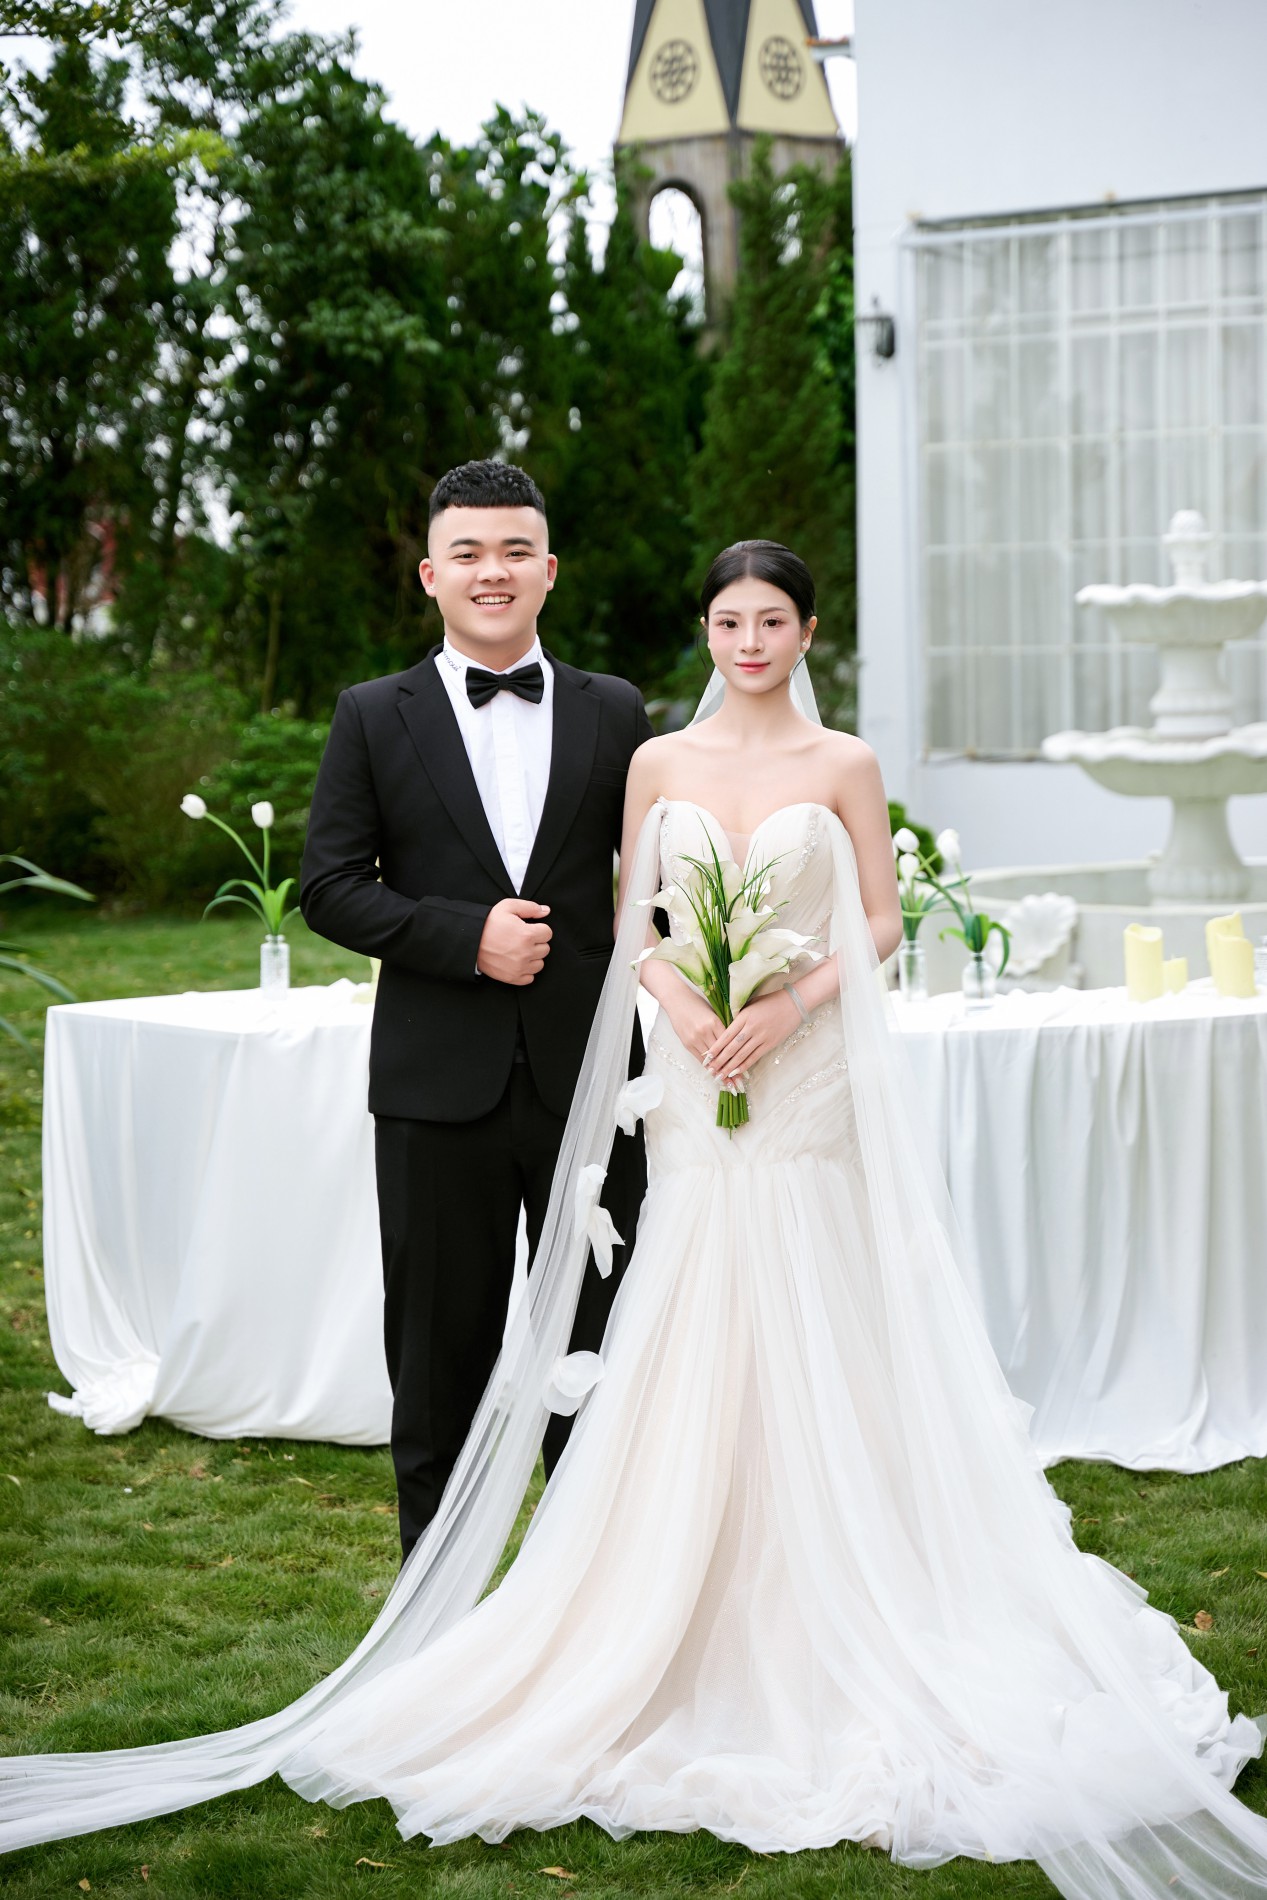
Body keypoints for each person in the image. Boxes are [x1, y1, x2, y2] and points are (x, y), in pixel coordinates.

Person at [3, 543, 1266, 1900]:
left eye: (769, 619)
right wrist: (691, 1008)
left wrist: (783, 1006)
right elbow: (632, 924)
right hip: (689, 1081)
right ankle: (638, 1601)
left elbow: (882, 922)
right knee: (680, 1314)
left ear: (806, 631)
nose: (747, 640)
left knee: (815, 1311)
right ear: (705, 630)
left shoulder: (842, 762)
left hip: (802, 1076)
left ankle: (841, 1585)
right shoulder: (654, 756)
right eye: (726, 619)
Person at [299, 459, 650, 1559]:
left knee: (598, 1348)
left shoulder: (615, 708)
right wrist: (467, 939)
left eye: (513, 551)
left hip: (592, 1080)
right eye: (467, 552)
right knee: (437, 1360)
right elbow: (329, 887)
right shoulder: (372, 714)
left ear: (549, 570)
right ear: (430, 574)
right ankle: (432, 1610)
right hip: (434, 1083)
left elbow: (650, 884)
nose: (491, 571)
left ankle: (592, 1599)